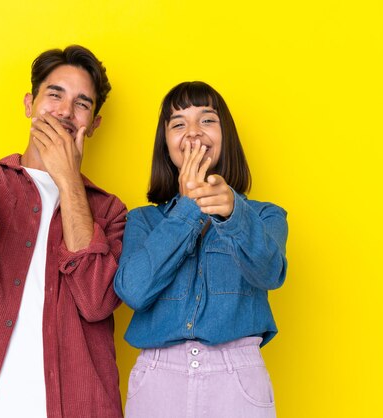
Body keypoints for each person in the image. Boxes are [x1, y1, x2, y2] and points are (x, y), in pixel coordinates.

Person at [0, 45, 126, 418]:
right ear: (30, 104)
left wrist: (67, 179)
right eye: (54, 95)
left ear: (94, 124)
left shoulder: (111, 211)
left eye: (82, 104)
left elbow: (96, 301)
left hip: (77, 405)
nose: (64, 112)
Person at [114, 81, 288, 418]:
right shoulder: (144, 221)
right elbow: (132, 291)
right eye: (178, 124)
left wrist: (234, 213)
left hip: (237, 381)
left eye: (207, 120)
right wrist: (188, 208)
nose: (193, 133)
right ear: (165, 146)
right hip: (157, 379)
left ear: (227, 138)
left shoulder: (264, 216)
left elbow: (269, 272)